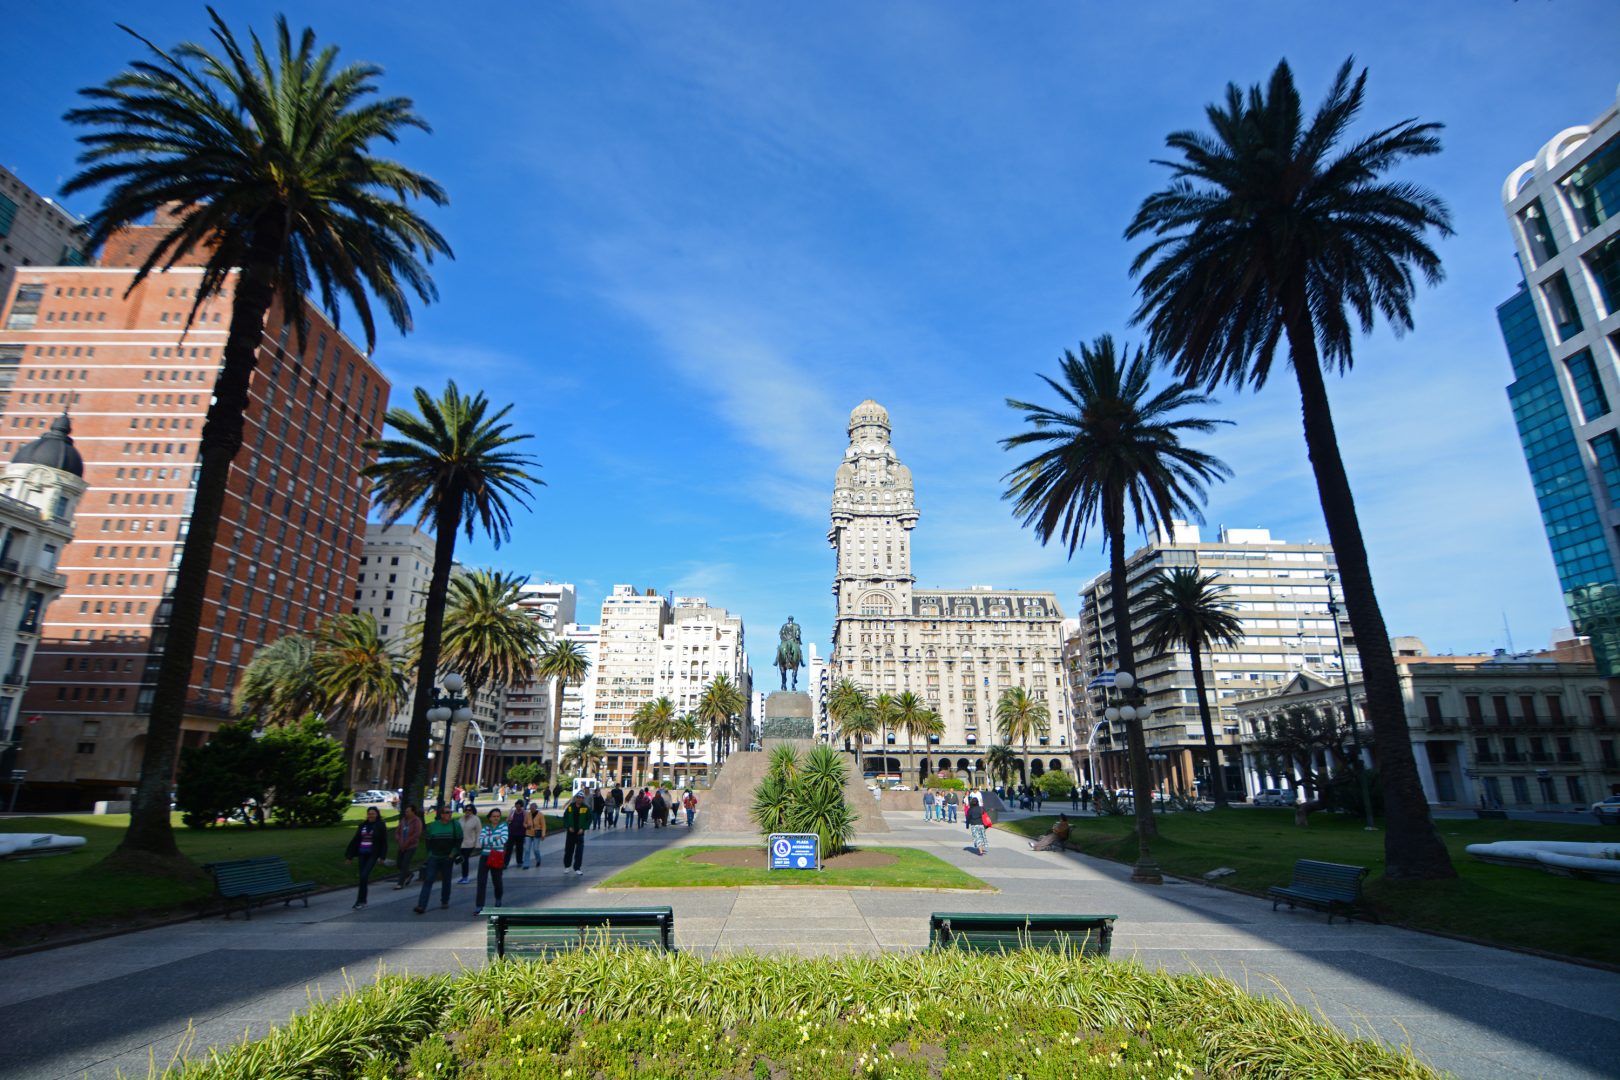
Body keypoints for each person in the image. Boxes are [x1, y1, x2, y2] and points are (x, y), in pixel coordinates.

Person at [414, 805, 460, 914]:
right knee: (429, 879)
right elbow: (428, 842)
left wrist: (452, 854)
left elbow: (458, 841)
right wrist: (430, 854)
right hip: (434, 857)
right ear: (441, 815)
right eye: (447, 812)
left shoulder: (455, 825)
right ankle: (421, 905)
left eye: (450, 812)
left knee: (446, 879)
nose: (450, 814)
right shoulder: (433, 826)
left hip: (447, 857)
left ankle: (445, 900)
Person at [345, 806, 388, 909]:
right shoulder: (363, 825)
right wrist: (349, 856)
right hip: (362, 853)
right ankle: (362, 900)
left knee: (364, 876)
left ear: (377, 814)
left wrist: (382, 856)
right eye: (369, 813)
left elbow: (384, 842)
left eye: (373, 813)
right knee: (362, 878)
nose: (370, 815)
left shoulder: (380, 825)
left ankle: (360, 901)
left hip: (372, 854)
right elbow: (356, 840)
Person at [474, 807, 509, 915]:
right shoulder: (486, 827)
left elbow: (504, 839)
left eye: (498, 816)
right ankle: (479, 905)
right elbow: (482, 841)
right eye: (494, 816)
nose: (496, 818)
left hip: (497, 856)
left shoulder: (503, 826)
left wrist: (490, 839)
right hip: (485, 855)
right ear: (490, 817)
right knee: (481, 881)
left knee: (497, 880)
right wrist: (495, 838)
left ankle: (498, 899)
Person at [393, 804, 422, 889]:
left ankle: (400, 883)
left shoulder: (417, 821)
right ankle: (409, 874)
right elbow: (398, 831)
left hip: (411, 846)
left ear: (413, 812)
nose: (406, 813)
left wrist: (407, 843)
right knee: (399, 863)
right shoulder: (403, 820)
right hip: (401, 845)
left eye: (408, 811)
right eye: (405, 811)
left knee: (405, 863)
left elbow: (416, 834)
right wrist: (398, 838)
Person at [561, 791, 590, 876]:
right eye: (578, 798)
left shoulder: (585, 808)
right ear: (576, 798)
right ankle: (567, 866)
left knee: (579, 851)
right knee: (569, 850)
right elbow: (565, 817)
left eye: (581, 798)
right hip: (571, 832)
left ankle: (577, 868)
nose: (579, 799)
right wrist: (568, 826)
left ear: (583, 799)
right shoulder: (571, 807)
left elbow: (589, 819)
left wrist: (583, 828)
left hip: (579, 832)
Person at [456, 805, 481, 883]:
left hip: (470, 843)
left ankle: (465, 877)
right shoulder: (461, 819)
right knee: (461, 860)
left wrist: (478, 844)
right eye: (466, 809)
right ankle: (464, 876)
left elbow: (479, 832)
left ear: (473, 810)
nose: (468, 811)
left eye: (470, 810)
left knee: (465, 859)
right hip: (461, 844)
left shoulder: (476, 819)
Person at [507, 799, 529, 869]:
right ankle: (505, 863)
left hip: (520, 833)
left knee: (519, 848)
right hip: (512, 833)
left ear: (521, 806)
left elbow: (526, 822)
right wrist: (509, 819)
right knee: (508, 849)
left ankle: (519, 861)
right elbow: (508, 820)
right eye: (516, 807)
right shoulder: (513, 812)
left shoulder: (525, 813)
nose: (517, 808)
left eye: (519, 807)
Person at [525, 799, 546, 866]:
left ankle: (538, 860)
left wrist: (543, 834)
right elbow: (524, 823)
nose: (531, 810)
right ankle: (526, 864)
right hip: (528, 833)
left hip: (536, 833)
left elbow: (543, 825)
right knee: (527, 849)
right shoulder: (528, 814)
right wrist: (526, 826)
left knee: (536, 849)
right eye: (530, 808)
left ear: (535, 808)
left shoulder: (540, 815)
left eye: (532, 808)